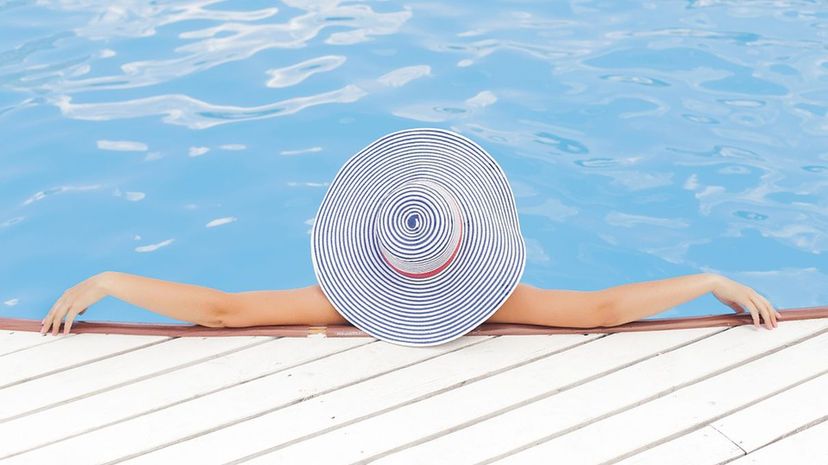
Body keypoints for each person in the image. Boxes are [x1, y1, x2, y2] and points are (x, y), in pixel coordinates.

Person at [39, 271, 780, 336]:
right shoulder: (491, 300)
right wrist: (706, 280)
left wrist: (113, 281)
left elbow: (223, 310)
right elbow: (601, 309)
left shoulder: (346, 304)